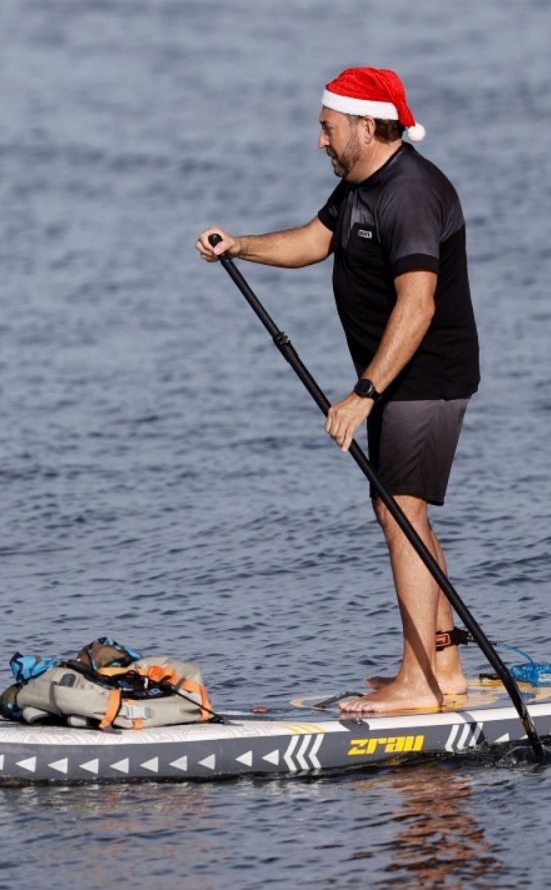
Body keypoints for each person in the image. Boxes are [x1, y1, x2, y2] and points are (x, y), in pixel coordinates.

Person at [197, 66, 480, 714]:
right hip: (398, 381)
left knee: (401, 512)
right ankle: (444, 670)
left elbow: (419, 303)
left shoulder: (409, 193)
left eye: (327, 128)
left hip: (423, 377)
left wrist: (364, 394)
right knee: (400, 511)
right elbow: (313, 241)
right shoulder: (360, 184)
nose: (319, 140)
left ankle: (422, 683)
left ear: (364, 125)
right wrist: (240, 245)